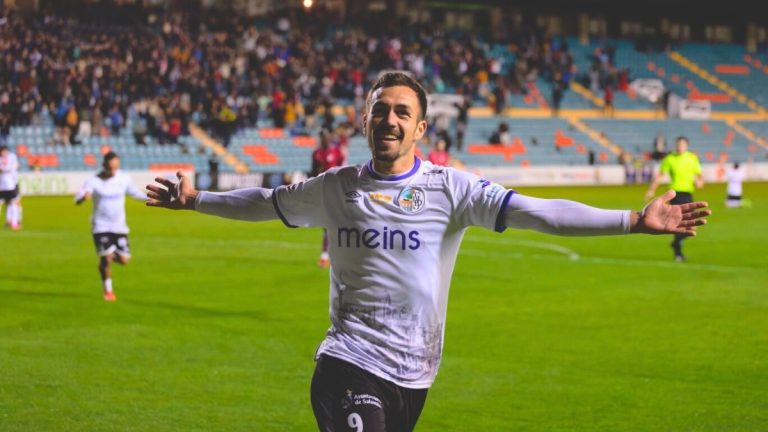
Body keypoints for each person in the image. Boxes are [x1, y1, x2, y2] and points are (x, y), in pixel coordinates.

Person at [146, 72, 710, 431]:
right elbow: (265, 202)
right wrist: (196, 200)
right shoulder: (335, 187)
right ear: (365, 120)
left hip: (414, 378)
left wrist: (634, 221)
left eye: (401, 113)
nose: (388, 119)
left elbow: (538, 212)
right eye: (380, 109)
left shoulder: (451, 189)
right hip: (348, 363)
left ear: (419, 129)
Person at [75, 152, 147, 301]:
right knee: (107, 258)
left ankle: (104, 257)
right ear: (104, 165)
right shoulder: (94, 181)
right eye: (110, 167)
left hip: (119, 226)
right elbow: (78, 197)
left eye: (116, 167)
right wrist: (83, 198)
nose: (113, 170)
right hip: (100, 226)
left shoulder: (124, 178)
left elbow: (135, 193)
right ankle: (108, 291)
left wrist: (151, 198)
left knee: (124, 260)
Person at [645, 136, 704, 262]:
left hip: (688, 194)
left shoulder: (692, 158)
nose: (680, 147)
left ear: (687, 146)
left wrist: (700, 181)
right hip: (676, 194)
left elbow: (699, 175)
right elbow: (659, 175)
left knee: (693, 227)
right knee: (681, 224)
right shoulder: (670, 159)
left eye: (682, 145)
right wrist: (651, 190)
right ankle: (678, 252)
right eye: (678, 144)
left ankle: (676, 244)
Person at [311, 129, 345, 268]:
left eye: (325, 137)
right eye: (322, 138)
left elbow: (343, 168)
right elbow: (312, 172)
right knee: (327, 225)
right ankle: (326, 255)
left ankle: (332, 254)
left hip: (336, 192)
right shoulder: (316, 153)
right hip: (322, 191)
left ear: (329, 138)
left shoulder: (336, 151)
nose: (324, 140)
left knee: (335, 224)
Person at [0, 145, 22, 230]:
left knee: (14, 203)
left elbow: (15, 166)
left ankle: (14, 222)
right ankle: (11, 221)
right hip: (2, 186)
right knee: (10, 203)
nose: (4, 153)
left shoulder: (12, 157)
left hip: (11, 185)